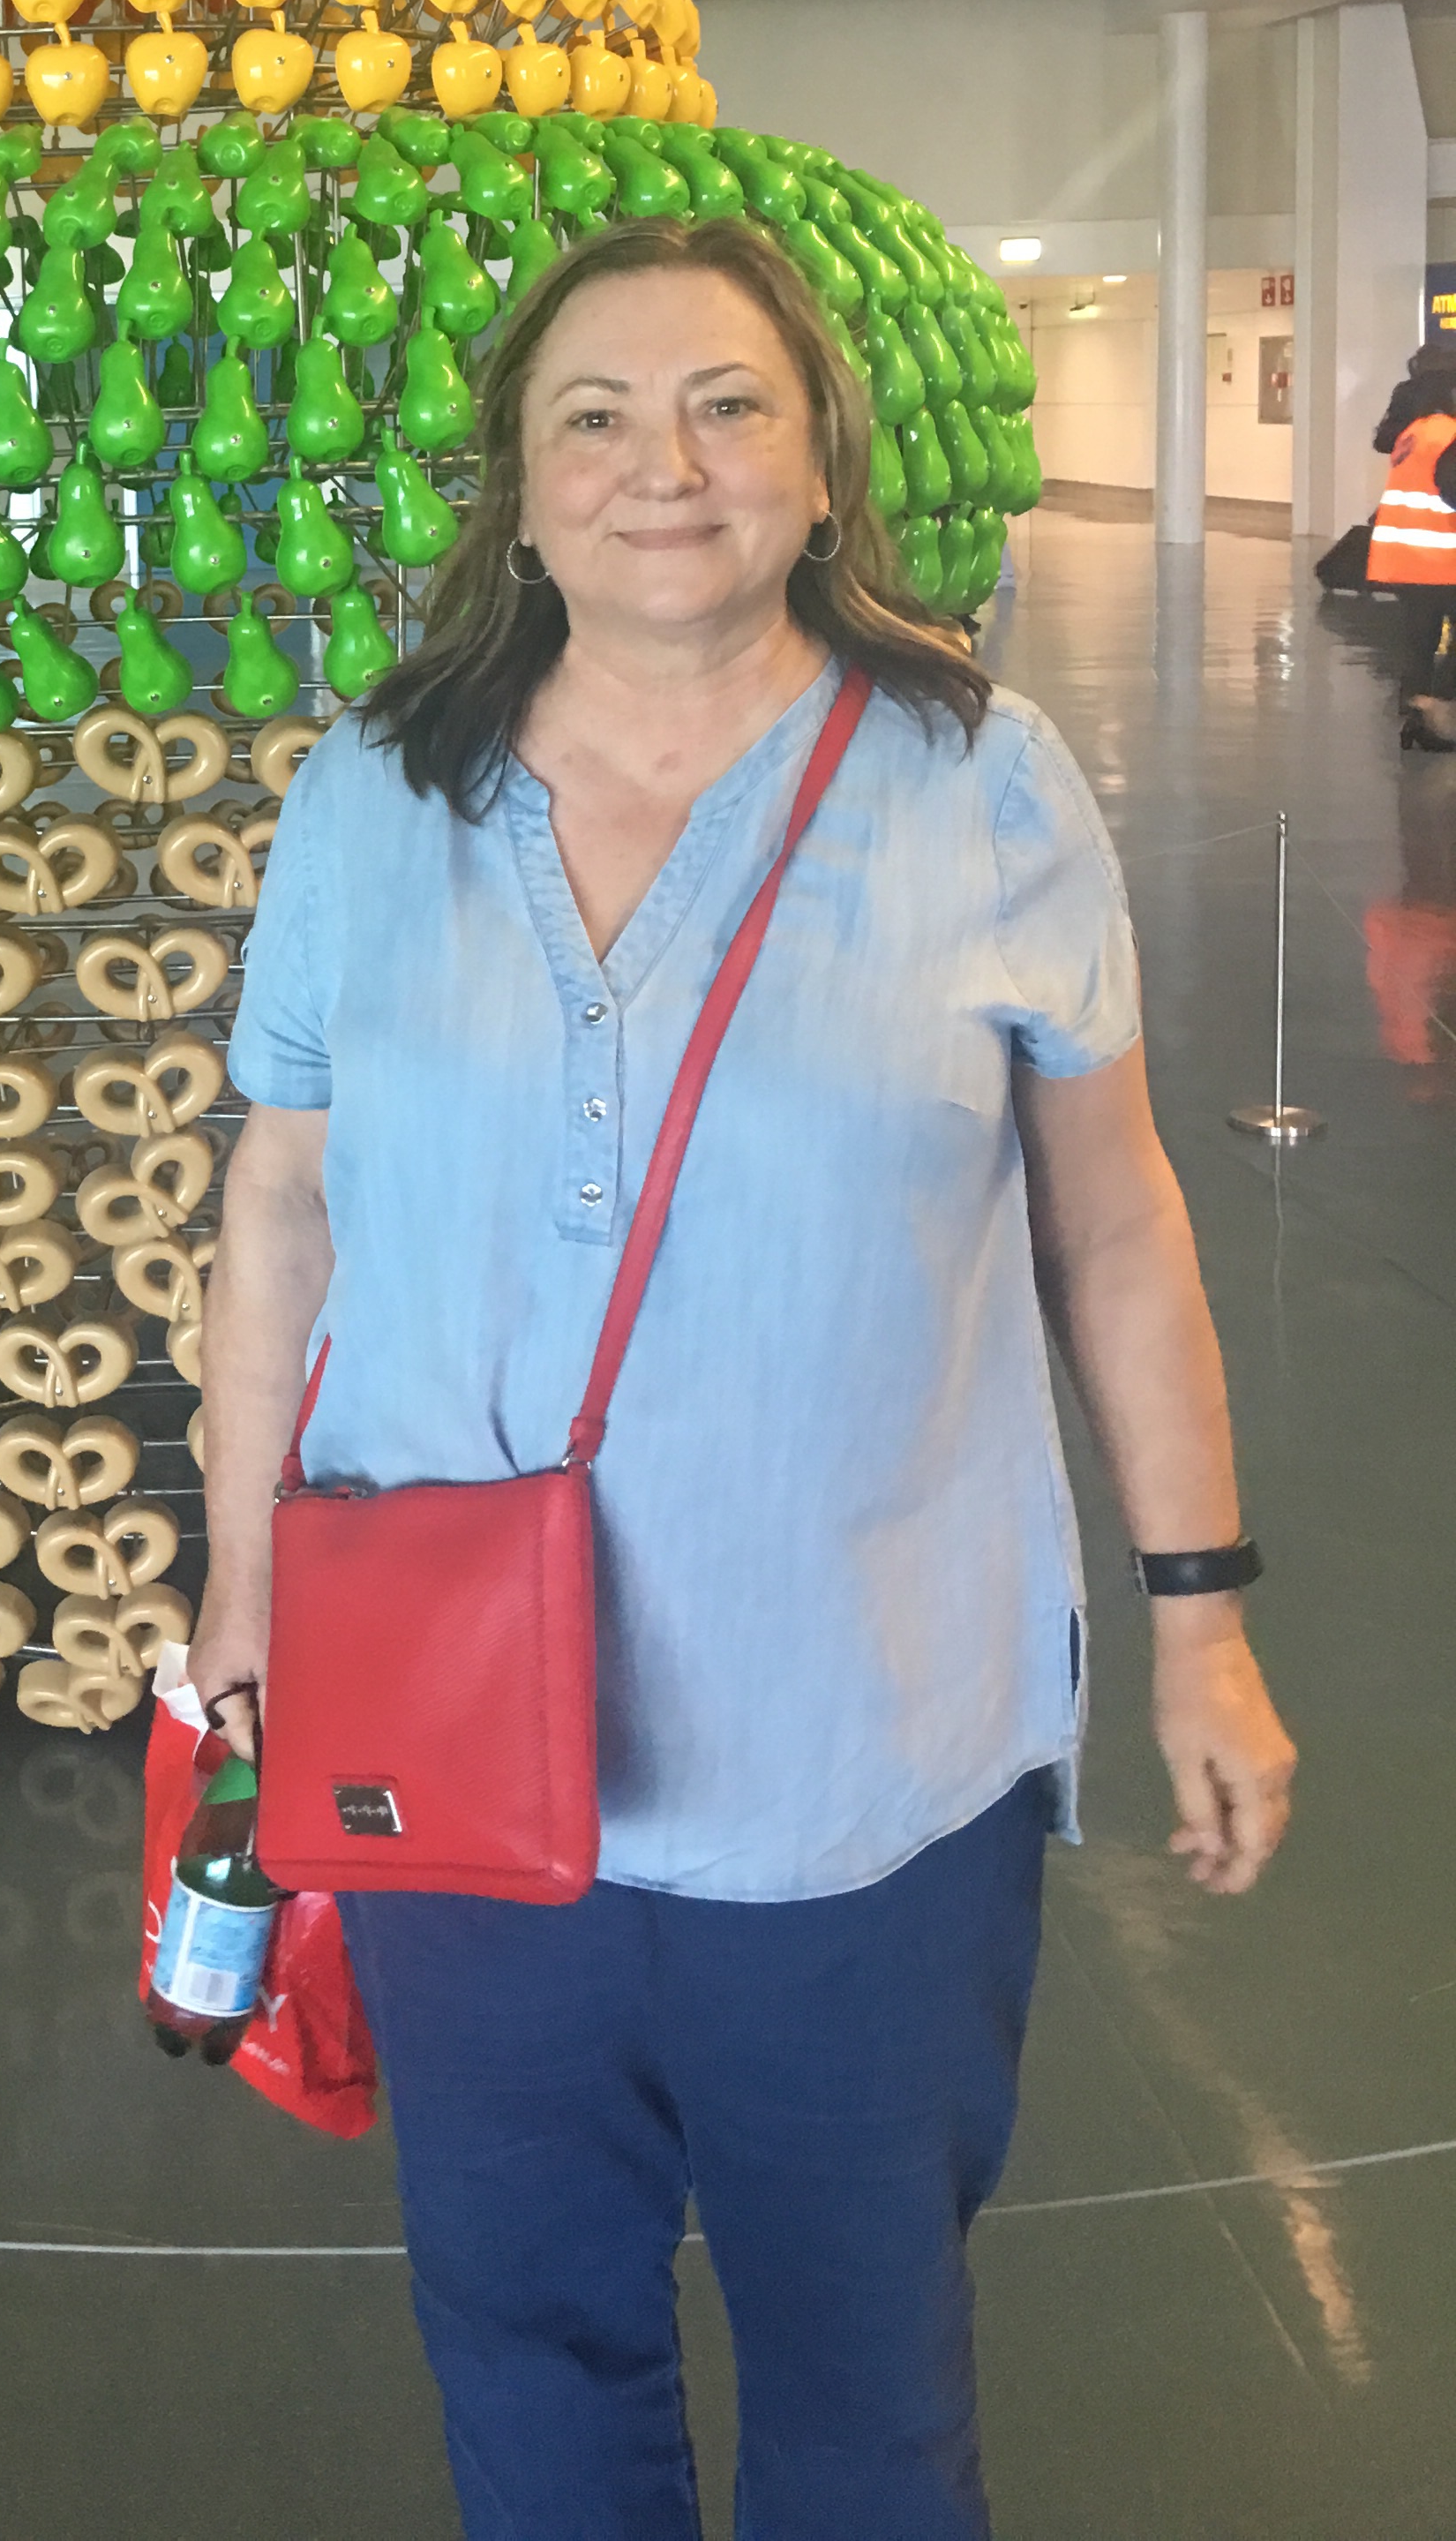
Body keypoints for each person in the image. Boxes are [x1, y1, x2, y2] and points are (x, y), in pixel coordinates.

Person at [191, 217, 1295, 2541]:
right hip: (453, 1758)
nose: (662, 466)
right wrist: (240, 1595)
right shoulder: (372, 798)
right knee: (525, 2339)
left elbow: (1114, 1221)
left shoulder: (979, 781)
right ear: (520, 483)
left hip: (863, 1764)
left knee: (867, 2381)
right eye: (593, 417)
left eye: (726, 408)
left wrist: (1199, 1615)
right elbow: (278, 1205)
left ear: (817, 465)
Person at [1371, 358, 1456, 750]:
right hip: (1444, 557)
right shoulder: (1451, 433)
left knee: (1419, 640)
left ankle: (1416, 711)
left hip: (1407, 557)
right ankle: (1440, 713)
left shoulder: (1414, 432)